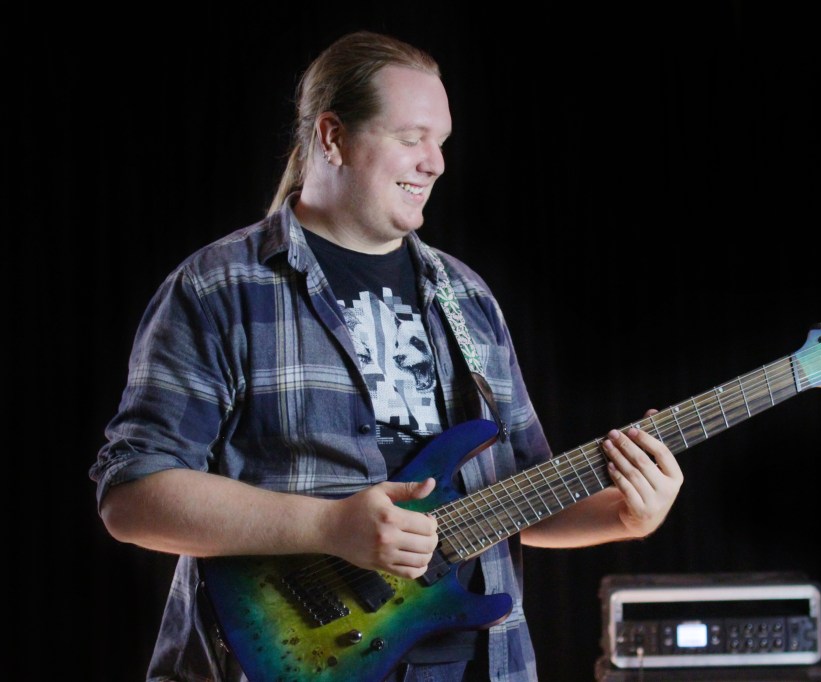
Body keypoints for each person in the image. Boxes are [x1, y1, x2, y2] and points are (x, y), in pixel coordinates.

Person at [89, 30, 684, 682]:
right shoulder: (220, 288)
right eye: (411, 138)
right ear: (333, 137)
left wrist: (625, 513)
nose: (436, 163)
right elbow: (133, 497)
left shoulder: (466, 296)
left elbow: (520, 495)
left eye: (441, 141)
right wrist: (329, 527)